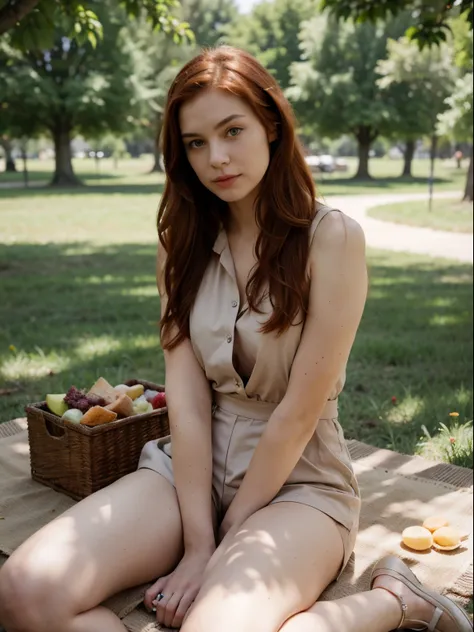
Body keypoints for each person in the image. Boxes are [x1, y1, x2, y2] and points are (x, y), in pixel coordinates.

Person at [0, 46, 471, 632]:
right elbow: (189, 398)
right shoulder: (179, 241)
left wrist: (228, 536)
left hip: (300, 479)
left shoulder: (333, 239)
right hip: (189, 468)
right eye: (196, 142)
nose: (216, 157)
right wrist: (198, 541)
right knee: (25, 590)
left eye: (232, 130)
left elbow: (299, 413)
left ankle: (397, 599)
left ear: (271, 125)